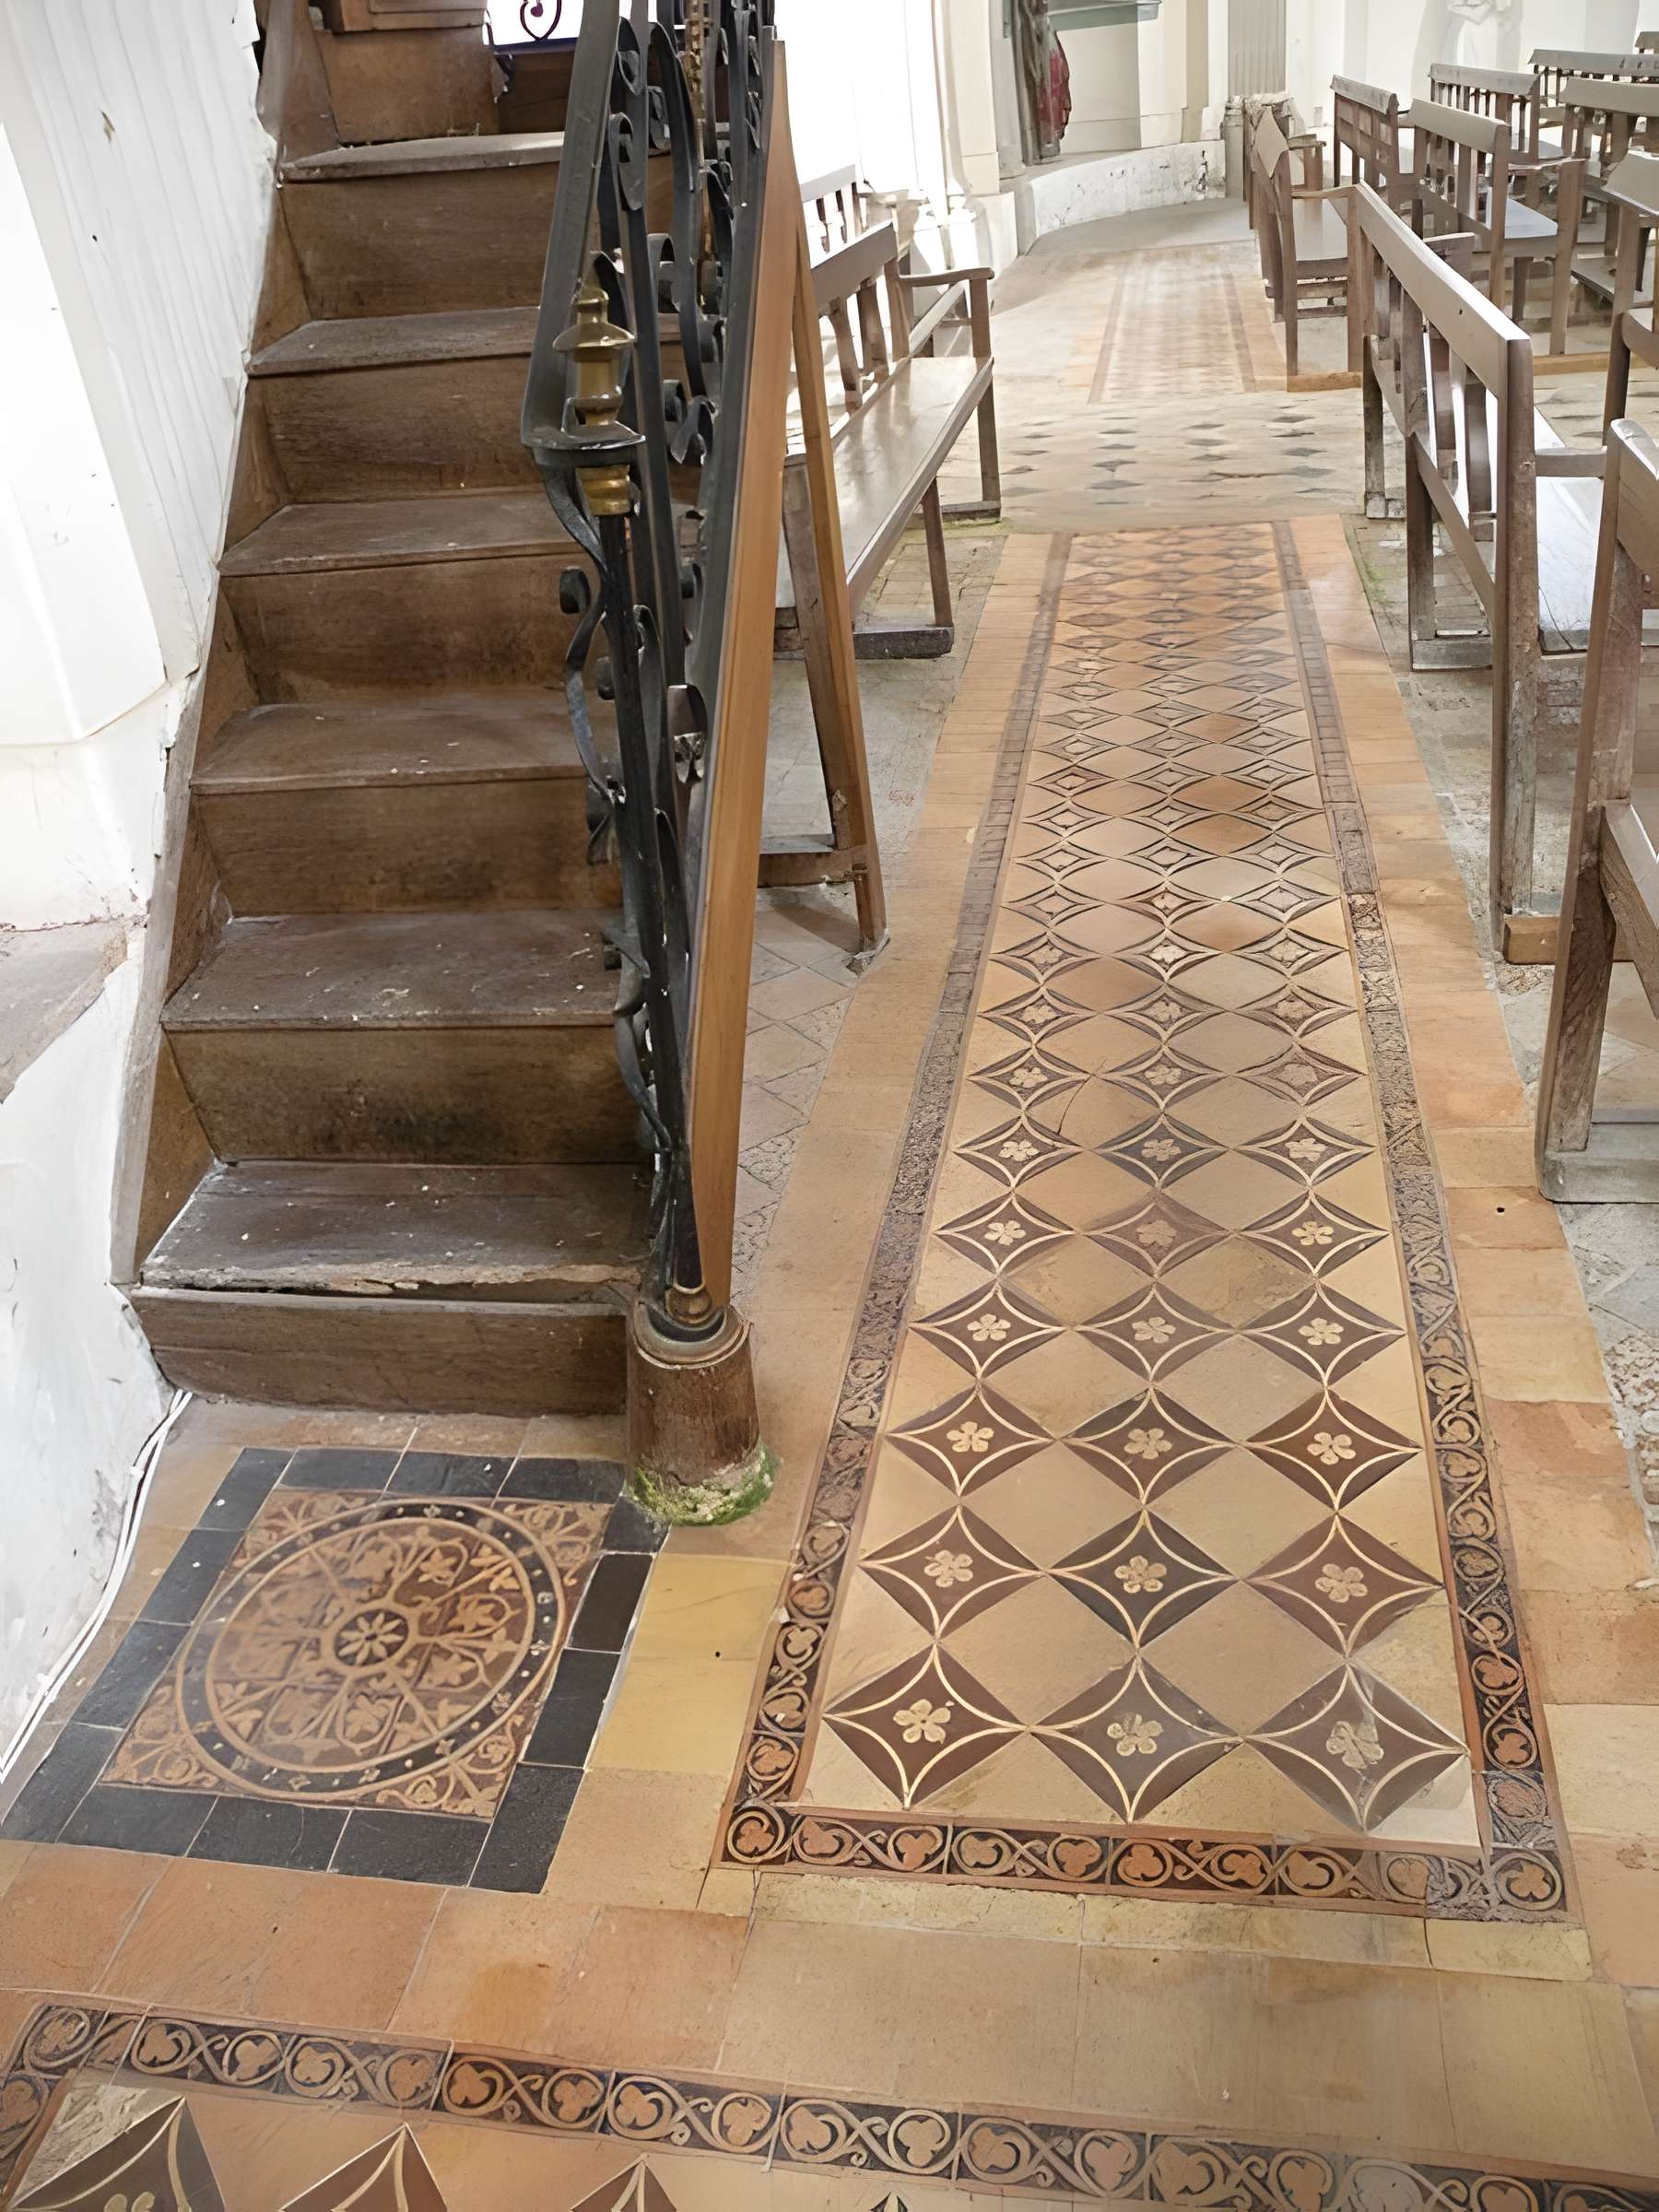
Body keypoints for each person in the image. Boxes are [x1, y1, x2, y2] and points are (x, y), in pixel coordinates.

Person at [1017, 0, 1072, 163]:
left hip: (1044, 31)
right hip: (1033, 32)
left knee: (1050, 88)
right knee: (1041, 89)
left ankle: (1047, 143)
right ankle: (1040, 143)